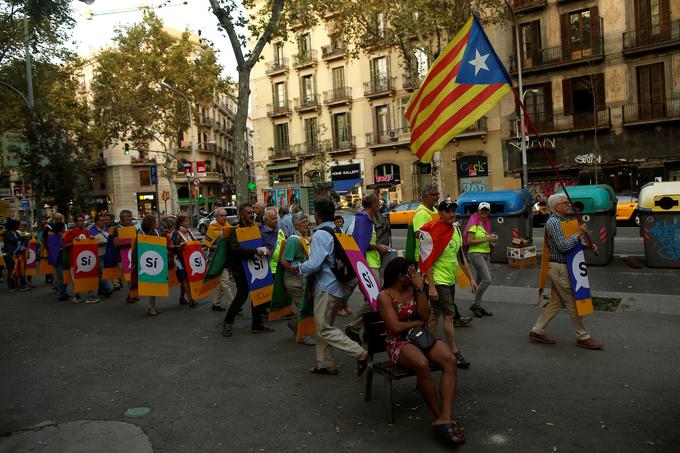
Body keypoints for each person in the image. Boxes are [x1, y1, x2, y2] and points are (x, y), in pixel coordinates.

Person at [378, 257, 464, 445]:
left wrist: (419, 289)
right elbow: (396, 327)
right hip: (398, 342)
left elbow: (425, 314)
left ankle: (445, 416)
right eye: (413, 272)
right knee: (421, 364)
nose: (417, 275)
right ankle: (438, 415)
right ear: (402, 276)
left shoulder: (413, 289)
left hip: (419, 337)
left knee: (449, 359)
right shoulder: (384, 296)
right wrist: (418, 323)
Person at [295, 198, 368, 376]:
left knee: (323, 328)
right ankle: (325, 363)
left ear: (317, 215)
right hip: (339, 286)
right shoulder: (338, 230)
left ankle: (359, 353)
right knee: (325, 325)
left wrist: (299, 268)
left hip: (326, 287)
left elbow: (314, 264)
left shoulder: (320, 234)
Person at [529, 193, 603, 349]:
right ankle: (583, 337)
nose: (568, 205)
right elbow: (563, 246)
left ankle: (537, 331)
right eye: (565, 203)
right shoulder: (553, 223)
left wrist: (586, 245)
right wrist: (578, 233)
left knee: (556, 303)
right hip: (559, 267)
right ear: (556, 207)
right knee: (573, 302)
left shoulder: (564, 221)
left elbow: (572, 244)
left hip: (565, 265)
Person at [423, 201, 478, 369]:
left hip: (449, 280)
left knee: (435, 314)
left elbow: (461, 257)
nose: (452, 214)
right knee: (449, 315)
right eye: (448, 211)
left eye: (454, 211)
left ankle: (423, 345)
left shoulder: (456, 230)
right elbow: (427, 260)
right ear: (440, 213)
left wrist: (471, 278)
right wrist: (431, 285)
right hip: (437, 281)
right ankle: (454, 352)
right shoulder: (431, 231)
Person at [412, 184, 473, 328]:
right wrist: (438, 236)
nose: (437, 196)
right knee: (431, 297)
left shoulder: (433, 210)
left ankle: (445, 319)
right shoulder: (421, 213)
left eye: (437, 193)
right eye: (434, 194)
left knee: (438, 302)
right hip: (426, 260)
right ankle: (422, 325)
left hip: (442, 255)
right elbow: (419, 235)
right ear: (425, 196)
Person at [221, 203, 274, 337]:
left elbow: (260, 244)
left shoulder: (255, 227)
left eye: (252, 212)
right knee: (242, 295)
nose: (252, 215)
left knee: (257, 294)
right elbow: (235, 249)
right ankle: (227, 322)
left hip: (255, 267)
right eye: (249, 213)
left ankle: (257, 325)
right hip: (240, 268)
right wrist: (256, 251)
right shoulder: (235, 230)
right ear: (242, 215)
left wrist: (265, 250)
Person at [344, 194, 391, 339]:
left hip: (371, 263)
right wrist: (377, 247)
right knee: (375, 298)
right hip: (367, 265)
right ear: (373, 205)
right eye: (378, 202)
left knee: (371, 300)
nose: (380, 204)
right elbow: (360, 245)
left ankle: (366, 331)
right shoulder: (363, 219)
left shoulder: (367, 219)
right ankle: (354, 328)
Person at [279, 211, 315, 346]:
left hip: (302, 279)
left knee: (306, 306)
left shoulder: (305, 238)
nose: (307, 224)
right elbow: (284, 261)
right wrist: (293, 269)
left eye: (307, 221)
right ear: (296, 225)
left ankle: (294, 325)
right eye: (303, 222)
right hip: (293, 280)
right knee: (303, 308)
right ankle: (302, 335)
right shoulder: (294, 240)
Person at [464, 202, 496, 317]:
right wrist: (486, 239)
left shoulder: (485, 224)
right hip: (476, 254)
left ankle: (477, 304)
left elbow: (486, 238)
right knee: (487, 280)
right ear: (478, 211)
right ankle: (475, 305)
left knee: (480, 280)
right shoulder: (474, 224)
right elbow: (469, 241)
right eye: (482, 210)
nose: (484, 212)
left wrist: (492, 240)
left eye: (486, 210)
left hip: (485, 254)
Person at [63, 213, 98, 304]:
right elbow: (65, 245)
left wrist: (91, 239)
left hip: (86, 259)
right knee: (76, 279)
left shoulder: (86, 231)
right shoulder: (70, 232)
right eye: (79, 221)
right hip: (74, 259)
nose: (81, 222)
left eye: (82, 221)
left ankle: (90, 296)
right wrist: (73, 242)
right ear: (75, 222)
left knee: (88, 276)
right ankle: (77, 296)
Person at [204, 207, 232, 312]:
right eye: (221, 215)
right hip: (217, 259)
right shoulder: (212, 227)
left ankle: (216, 303)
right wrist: (222, 246)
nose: (224, 217)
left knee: (220, 283)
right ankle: (234, 304)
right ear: (216, 217)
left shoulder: (228, 225)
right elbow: (209, 245)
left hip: (226, 258)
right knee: (225, 282)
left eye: (225, 215)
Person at [170, 215, 198, 307]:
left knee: (184, 279)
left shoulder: (189, 232)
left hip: (189, 258)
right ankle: (191, 299)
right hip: (179, 259)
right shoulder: (175, 232)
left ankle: (182, 298)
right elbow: (170, 246)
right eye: (185, 221)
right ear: (180, 223)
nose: (188, 223)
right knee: (185, 278)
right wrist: (179, 246)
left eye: (188, 221)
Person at [139, 214, 163, 316]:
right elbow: (138, 248)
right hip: (146, 262)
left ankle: (153, 307)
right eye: (154, 221)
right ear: (150, 223)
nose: (156, 223)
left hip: (156, 261)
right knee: (149, 285)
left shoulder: (157, 232)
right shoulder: (141, 233)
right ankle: (150, 308)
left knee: (154, 285)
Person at [112, 210, 136, 303]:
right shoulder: (117, 229)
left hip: (132, 255)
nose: (129, 218)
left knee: (133, 276)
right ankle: (130, 295)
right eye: (128, 216)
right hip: (122, 257)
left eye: (130, 216)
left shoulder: (132, 227)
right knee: (128, 276)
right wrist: (131, 242)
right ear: (122, 217)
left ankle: (132, 294)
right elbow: (116, 243)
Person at [88, 214, 113, 298]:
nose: (104, 222)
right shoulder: (91, 230)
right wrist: (97, 243)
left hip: (107, 253)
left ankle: (100, 289)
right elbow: (88, 242)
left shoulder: (107, 229)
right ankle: (107, 289)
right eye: (102, 220)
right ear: (97, 221)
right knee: (102, 272)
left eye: (104, 220)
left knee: (103, 272)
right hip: (98, 254)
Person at [3, 219, 28, 292]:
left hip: (17, 253)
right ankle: (11, 286)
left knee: (19, 269)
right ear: (12, 226)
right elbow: (13, 240)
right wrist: (23, 238)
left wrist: (25, 237)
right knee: (11, 270)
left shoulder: (16, 233)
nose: (18, 226)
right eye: (17, 225)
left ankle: (21, 285)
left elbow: (19, 238)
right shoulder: (7, 233)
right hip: (9, 254)